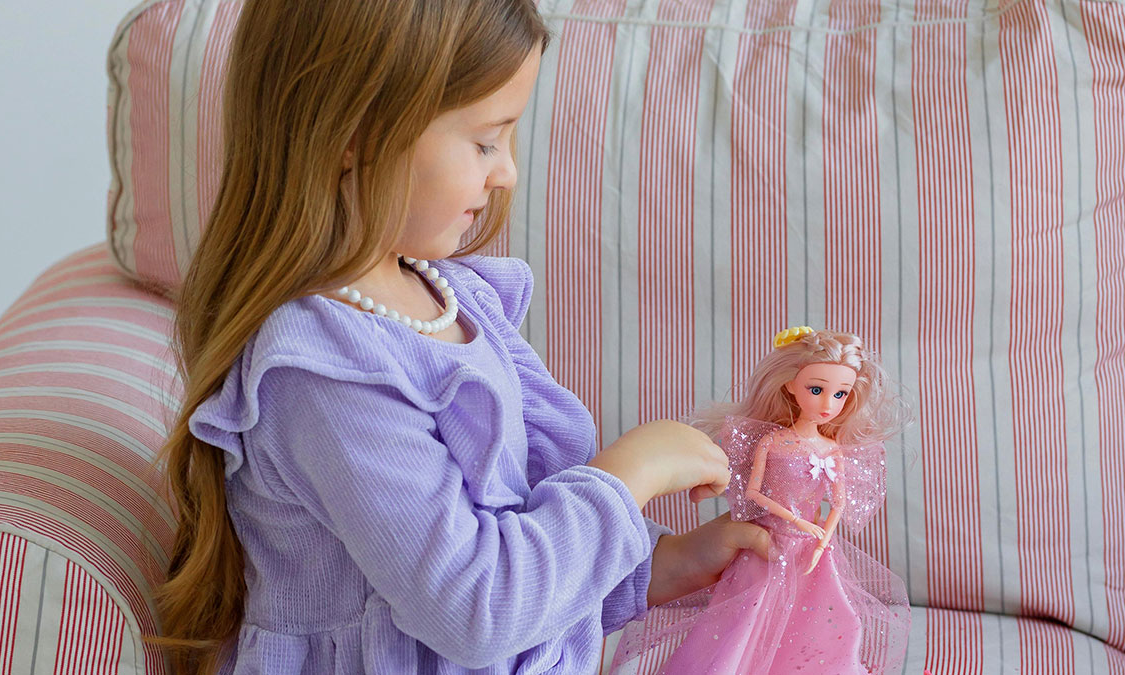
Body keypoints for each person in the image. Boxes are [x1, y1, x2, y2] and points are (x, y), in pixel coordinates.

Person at [146, 2, 769, 673]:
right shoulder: (322, 367)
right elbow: (476, 604)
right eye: (484, 141)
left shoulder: (455, 296)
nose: (507, 172)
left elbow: (514, 526)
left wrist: (662, 564)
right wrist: (632, 471)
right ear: (353, 132)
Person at [610, 327, 913, 674]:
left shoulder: (832, 449)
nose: (828, 404)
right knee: (748, 616)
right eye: (817, 389)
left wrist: (823, 538)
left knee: (828, 616)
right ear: (789, 385)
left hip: (814, 549)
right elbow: (753, 492)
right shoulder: (772, 443)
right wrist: (795, 519)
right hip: (770, 540)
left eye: (840, 394)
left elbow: (839, 503)